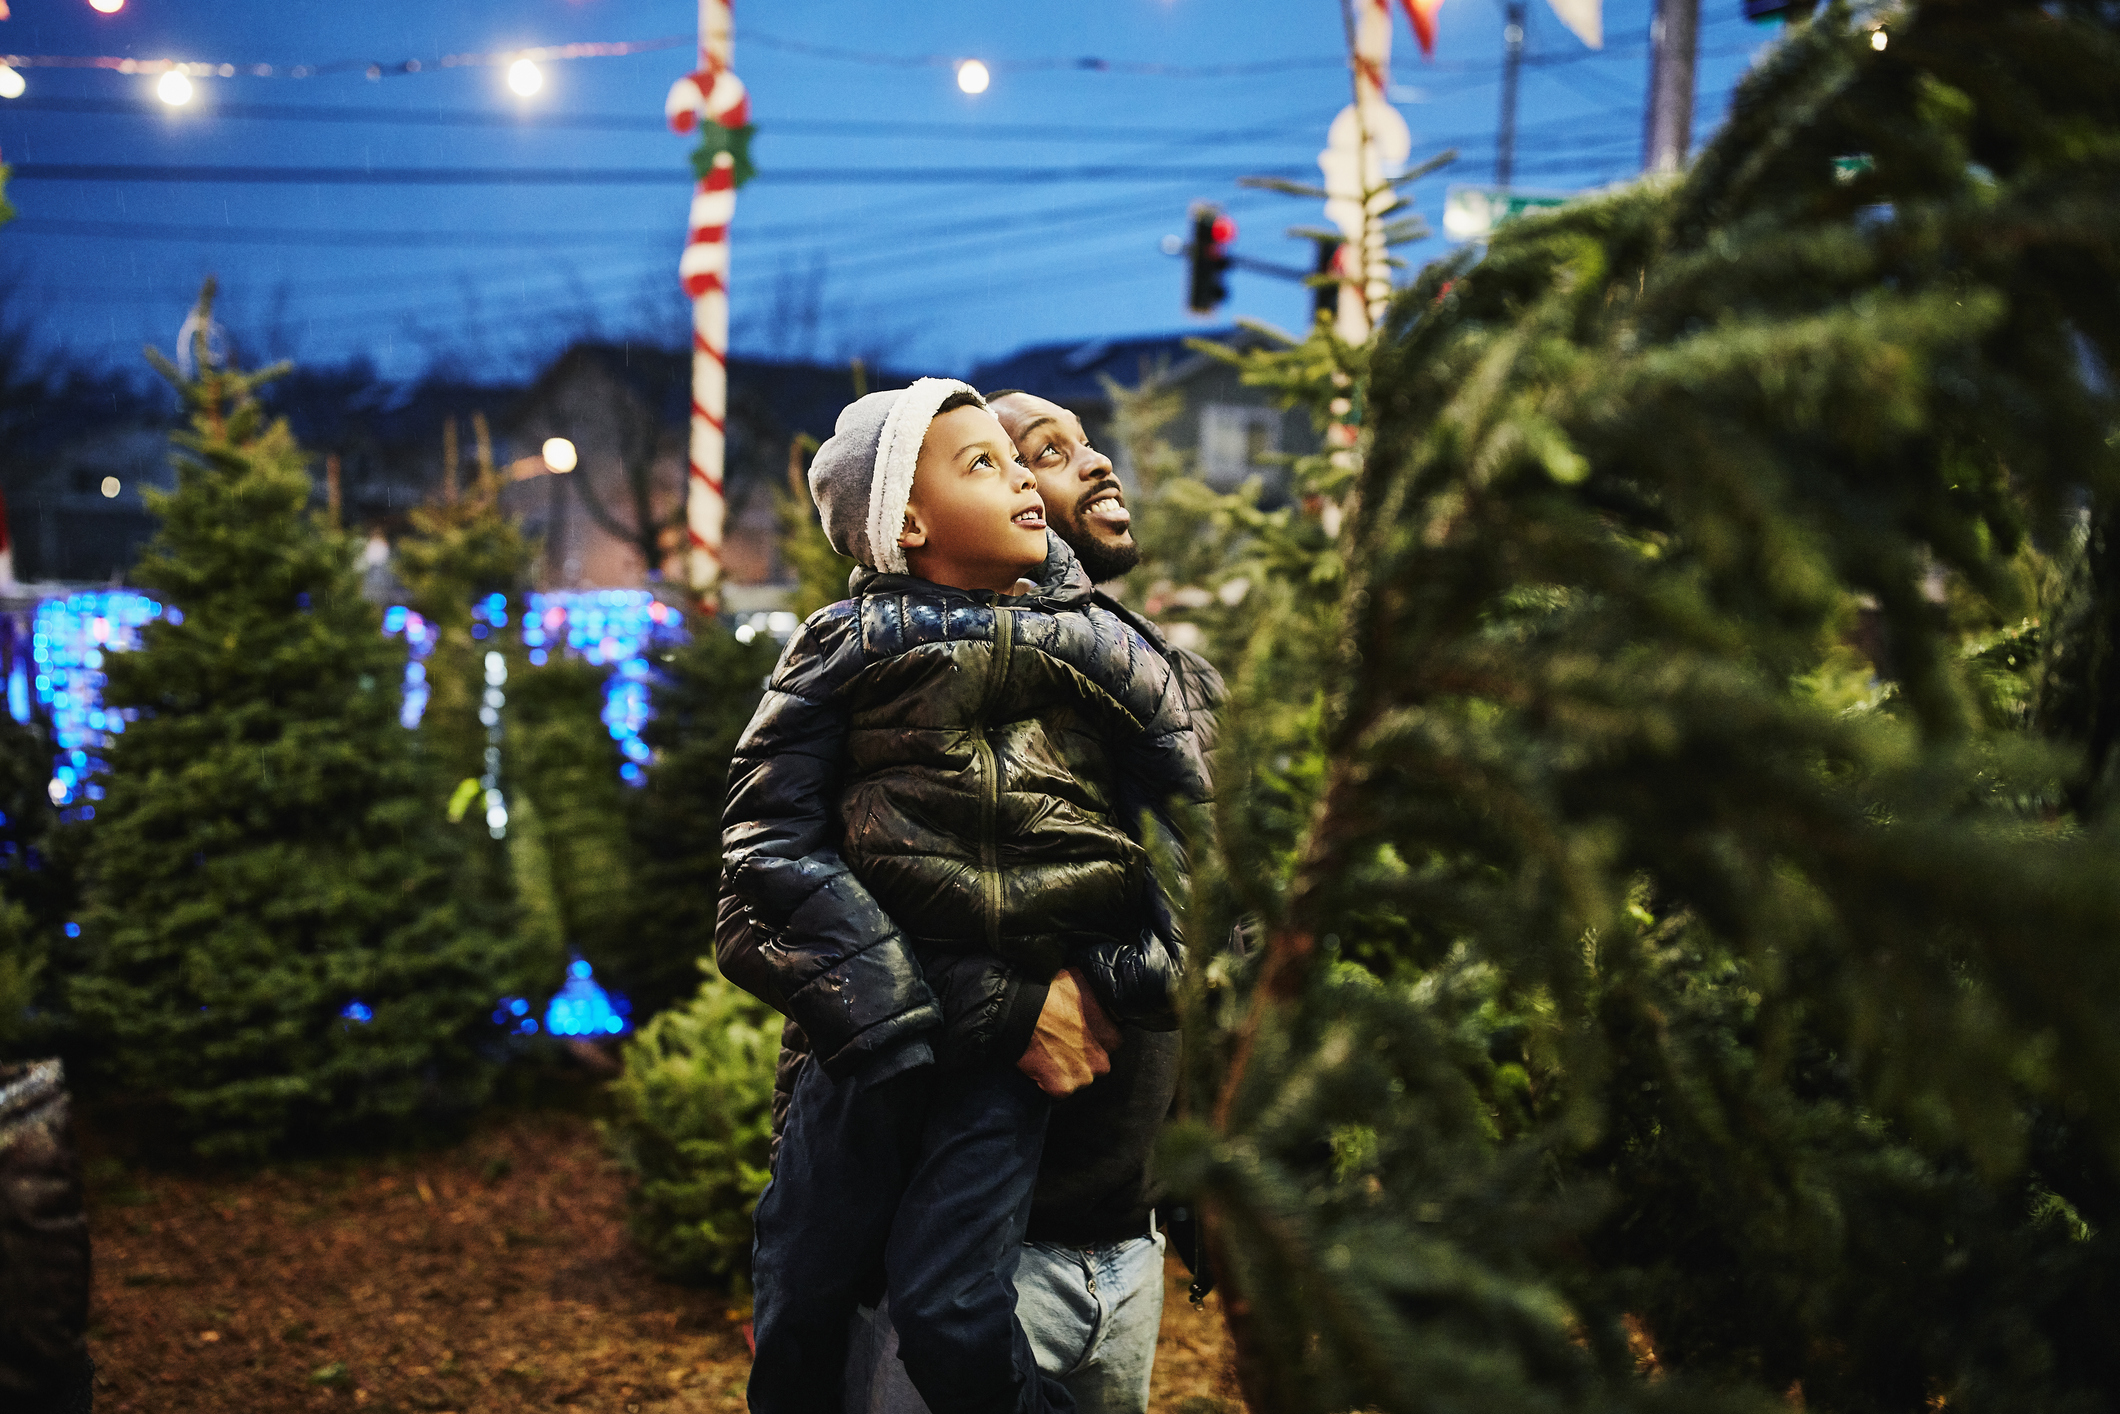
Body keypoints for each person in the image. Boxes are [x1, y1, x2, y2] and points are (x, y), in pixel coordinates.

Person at [719, 378, 1209, 1414]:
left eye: (1071, 445)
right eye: (1015, 454)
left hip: (1114, 1229)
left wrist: (1125, 977)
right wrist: (1000, 1006)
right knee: (814, 1283)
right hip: (902, 1089)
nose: (1075, 468)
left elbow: (1212, 866)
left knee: (949, 1296)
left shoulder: (1120, 659)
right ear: (907, 516)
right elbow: (760, 872)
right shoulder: (850, 645)